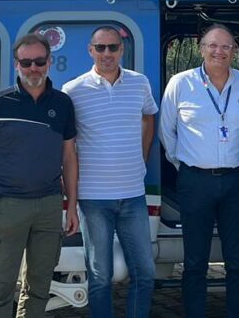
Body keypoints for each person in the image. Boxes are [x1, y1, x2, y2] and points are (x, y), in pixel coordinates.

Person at [0, 33, 80, 318]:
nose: (33, 68)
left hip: (49, 206)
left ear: (49, 62)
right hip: (8, 207)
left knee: (40, 285)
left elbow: (69, 157)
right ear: (16, 64)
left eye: (39, 61)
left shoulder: (63, 104)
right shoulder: (0, 102)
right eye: (26, 62)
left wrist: (72, 205)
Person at [158, 24, 239, 318]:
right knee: (194, 261)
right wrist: (187, 166)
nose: (219, 52)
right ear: (201, 48)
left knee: (237, 261)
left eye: (226, 47)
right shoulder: (181, 83)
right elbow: (168, 133)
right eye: (213, 46)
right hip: (195, 181)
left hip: (237, 180)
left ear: (234, 51)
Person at [62, 26, 158, 318]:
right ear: (90, 50)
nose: (107, 53)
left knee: (145, 273)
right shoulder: (73, 90)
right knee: (100, 278)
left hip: (133, 196)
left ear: (122, 50)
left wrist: (139, 160)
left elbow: (148, 118)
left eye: (113, 47)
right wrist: (72, 200)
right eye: (100, 48)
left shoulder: (139, 84)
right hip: (93, 200)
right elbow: (67, 147)